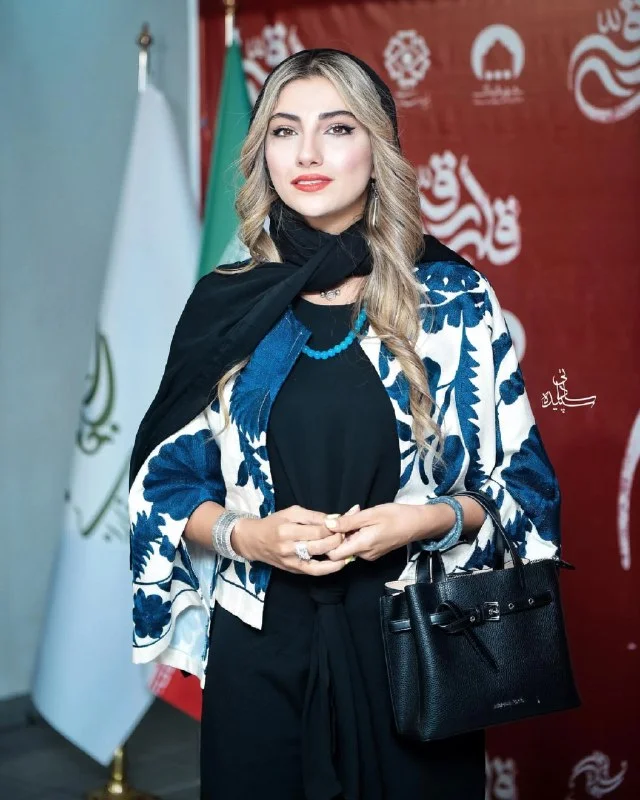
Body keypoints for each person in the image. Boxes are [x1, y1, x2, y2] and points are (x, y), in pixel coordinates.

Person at [128, 49, 561, 800]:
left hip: (419, 643)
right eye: (285, 130)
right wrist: (246, 537)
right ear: (263, 151)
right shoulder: (226, 302)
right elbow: (162, 487)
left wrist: (425, 521)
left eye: (337, 127)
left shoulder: (451, 299)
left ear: (377, 147)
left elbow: (525, 493)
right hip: (260, 645)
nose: (308, 153)